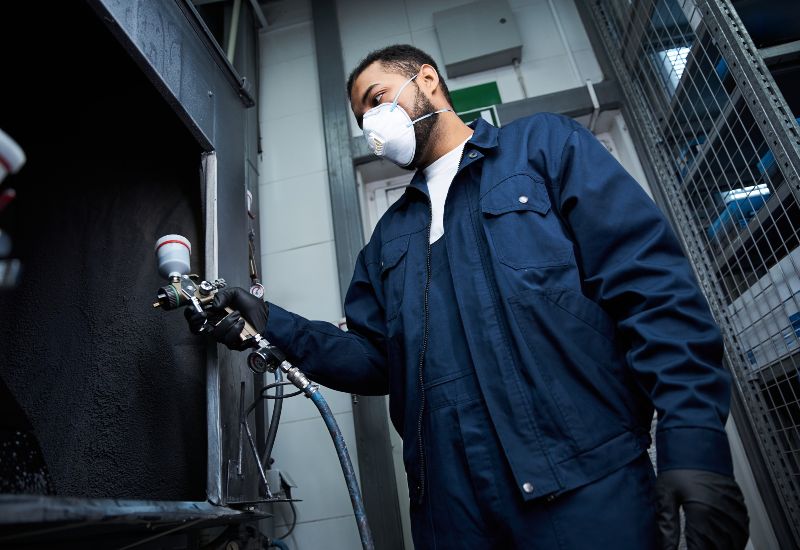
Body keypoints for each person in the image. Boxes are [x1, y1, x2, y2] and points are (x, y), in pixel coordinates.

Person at [187, 44, 748, 549]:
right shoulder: (388, 241)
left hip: (583, 486)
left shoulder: (545, 149)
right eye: (362, 120)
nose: (372, 127)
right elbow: (373, 359)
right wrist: (272, 322)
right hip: (452, 516)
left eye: (377, 99)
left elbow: (650, 288)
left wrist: (694, 441)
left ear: (426, 80)